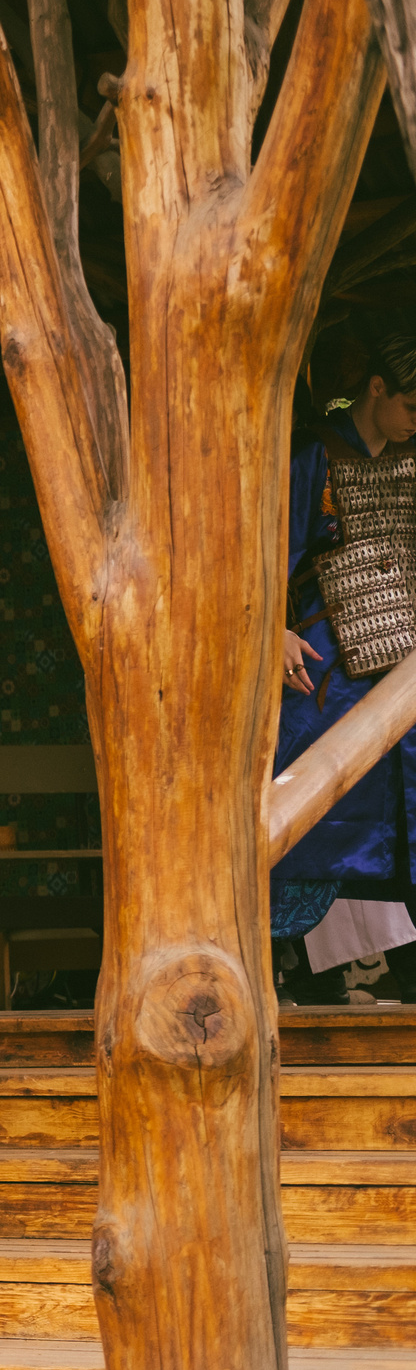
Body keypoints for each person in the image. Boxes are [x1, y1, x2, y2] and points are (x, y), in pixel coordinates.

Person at [274, 316, 416, 997]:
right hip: (326, 662)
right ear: (378, 388)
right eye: (410, 405)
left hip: (406, 663)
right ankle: (301, 970)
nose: (415, 421)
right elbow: (269, 548)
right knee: (316, 811)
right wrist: (272, 625)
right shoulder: (316, 456)